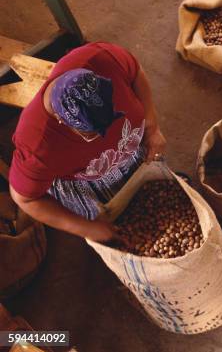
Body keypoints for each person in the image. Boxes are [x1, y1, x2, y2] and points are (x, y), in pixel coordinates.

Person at [9, 42, 166, 244]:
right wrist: (88, 228)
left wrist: (152, 127)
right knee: (114, 218)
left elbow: (136, 72)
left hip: (131, 148)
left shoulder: (101, 58)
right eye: (92, 134)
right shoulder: (37, 144)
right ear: (60, 119)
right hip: (88, 177)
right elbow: (25, 198)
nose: (108, 136)